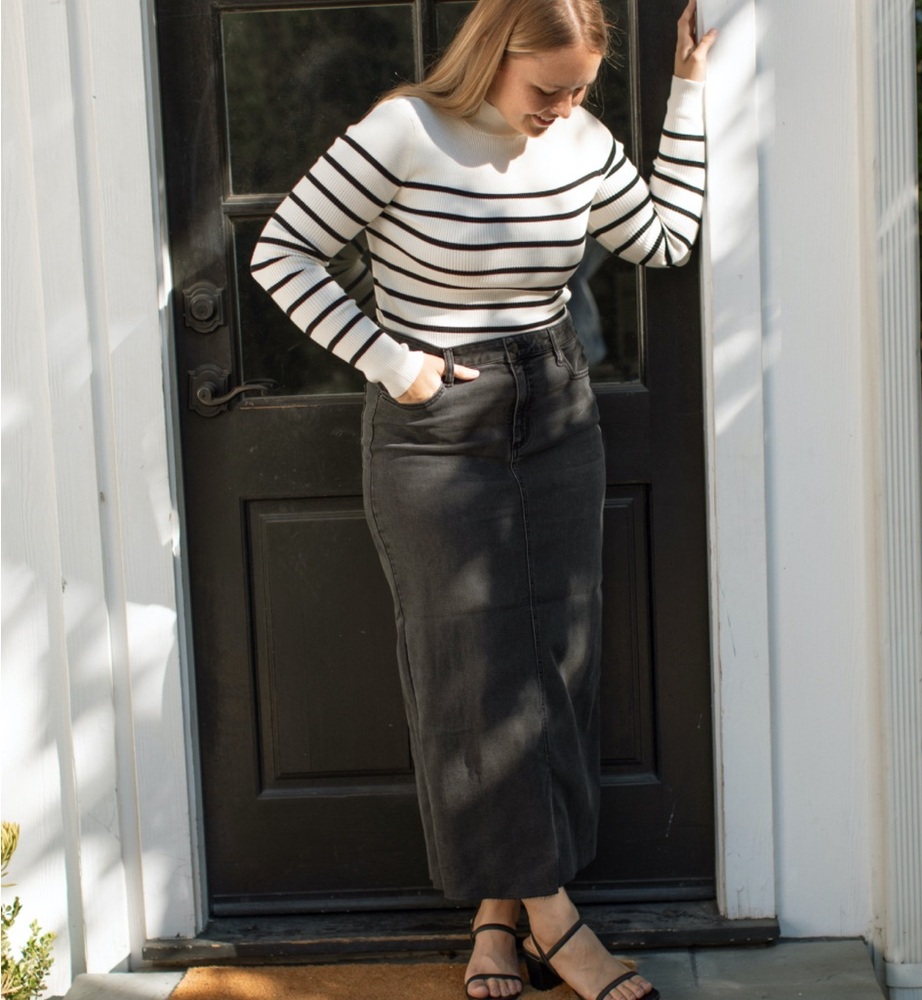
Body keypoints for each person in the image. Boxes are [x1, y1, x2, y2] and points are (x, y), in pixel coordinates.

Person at [251, 1, 716, 997]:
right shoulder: (402, 134)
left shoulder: (584, 142)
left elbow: (666, 239)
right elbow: (280, 253)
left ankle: (497, 922)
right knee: (471, 674)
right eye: (547, 87)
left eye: (581, 87)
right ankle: (556, 915)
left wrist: (686, 92)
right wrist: (391, 362)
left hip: (556, 412)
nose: (564, 106)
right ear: (493, 54)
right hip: (435, 427)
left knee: (554, 664)